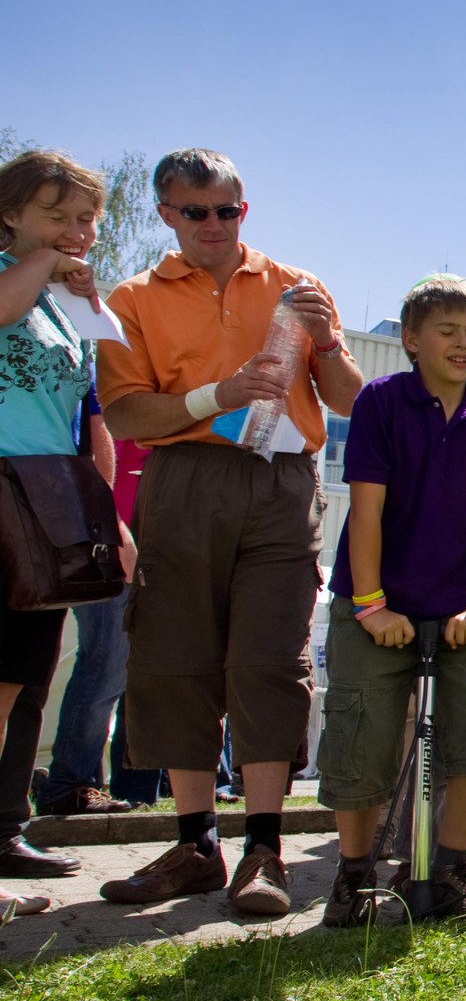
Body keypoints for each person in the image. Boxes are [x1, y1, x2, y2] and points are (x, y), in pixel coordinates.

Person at [97, 148, 363, 915]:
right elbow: (125, 411)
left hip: (283, 483)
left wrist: (329, 343)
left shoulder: (297, 285)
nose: (213, 224)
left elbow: (350, 400)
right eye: (195, 211)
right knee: (174, 655)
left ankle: (264, 850)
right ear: (166, 213)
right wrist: (220, 394)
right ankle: (194, 844)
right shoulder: (132, 297)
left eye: (227, 210)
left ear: (244, 210)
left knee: (269, 657)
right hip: (183, 479)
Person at [315, 277, 466, 925]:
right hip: (376, 601)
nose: (464, 344)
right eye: (447, 331)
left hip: (461, 606)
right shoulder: (381, 400)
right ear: (411, 339)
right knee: (362, 742)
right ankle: (355, 875)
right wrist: (371, 604)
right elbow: (366, 509)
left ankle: (445, 867)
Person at [0, 150, 113, 916]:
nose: (74, 232)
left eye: (85, 221)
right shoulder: (19, 279)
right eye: (56, 216)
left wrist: (103, 517)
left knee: (16, 684)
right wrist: (41, 262)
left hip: (44, 509)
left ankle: (2, 836)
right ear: (11, 213)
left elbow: (85, 414)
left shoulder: (62, 304)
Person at [40, 411, 141, 819]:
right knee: (105, 666)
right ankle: (69, 783)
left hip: (135, 537)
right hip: (105, 541)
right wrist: (114, 528)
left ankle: (79, 781)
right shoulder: (113, 393)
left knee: (113, 668)